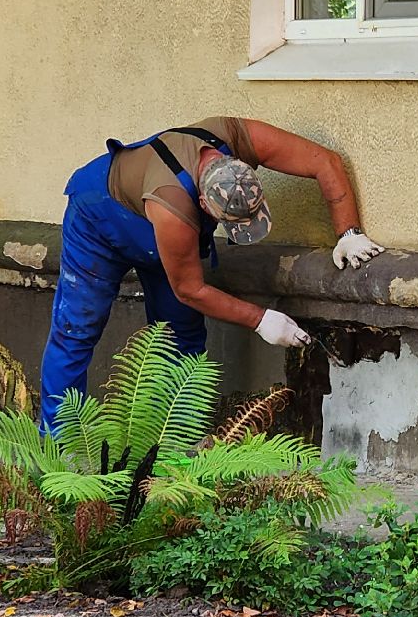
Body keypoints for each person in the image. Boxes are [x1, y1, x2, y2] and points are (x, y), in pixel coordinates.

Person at [39, 116, 384, 429]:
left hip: (157, 218)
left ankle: (175, 441)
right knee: (76, 329)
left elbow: (325, 162)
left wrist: (348, 234)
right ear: (204, 205)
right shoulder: (174, 206)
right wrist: (261, 319)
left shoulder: (234, 135)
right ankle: (58, 445)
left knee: (182, 335)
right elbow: (189, 289)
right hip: (98, 217)